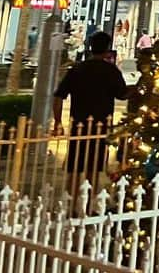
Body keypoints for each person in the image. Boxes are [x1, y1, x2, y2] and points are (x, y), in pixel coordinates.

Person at [53, 31, 129, 192]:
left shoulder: (77, 69)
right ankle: (87, 207)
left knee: (74, 169)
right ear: (108, 49)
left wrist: (58, 121)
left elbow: (59, 96)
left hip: (78, 125)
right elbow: (123, 95)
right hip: (100, 126)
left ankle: (71, 205)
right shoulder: (111, 71)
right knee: (93, 169)